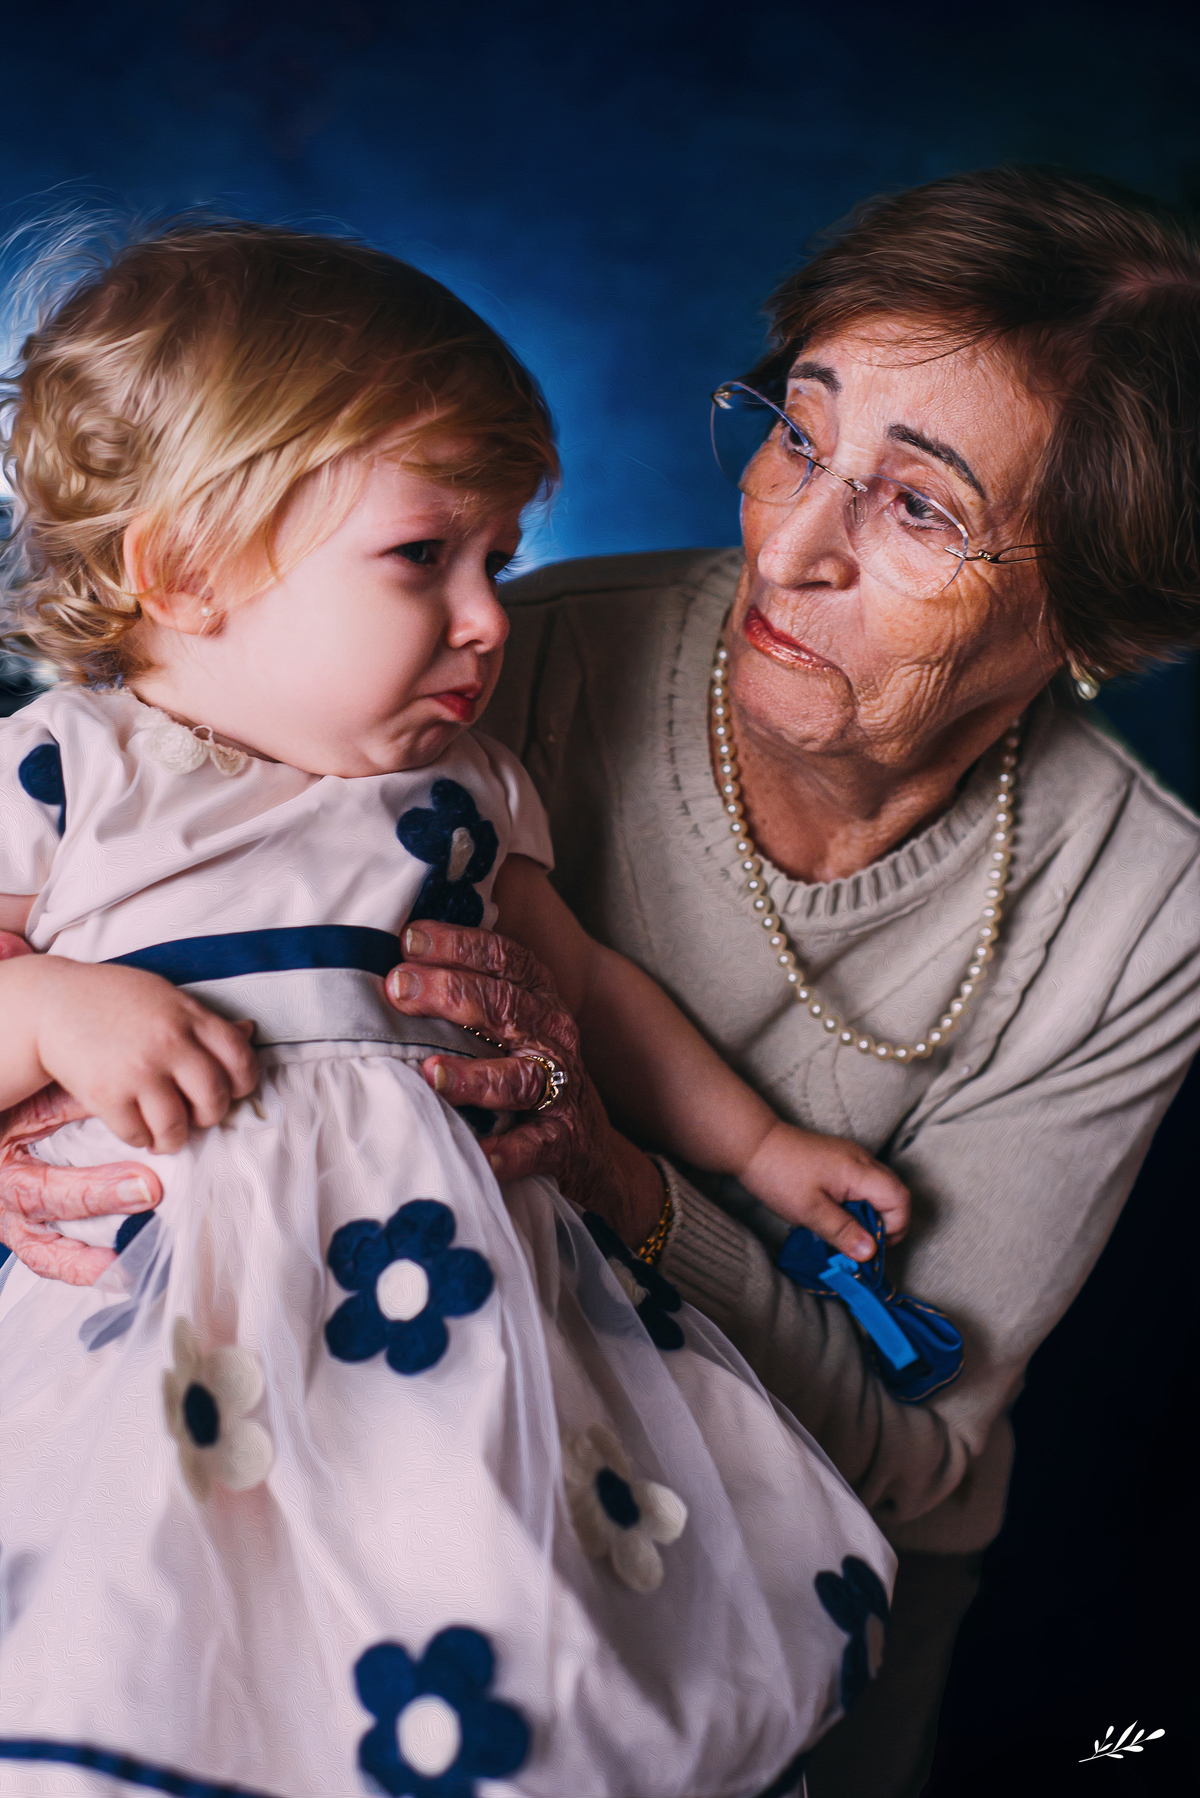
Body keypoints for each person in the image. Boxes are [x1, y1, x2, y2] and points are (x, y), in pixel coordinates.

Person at [5, 167, 1200, 1797]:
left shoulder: (1143, 908)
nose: (790, 544)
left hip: (572, 1492)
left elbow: (916, 1453)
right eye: (797, 429)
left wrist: (670, 1173)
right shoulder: (458, 672)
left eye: (918, 505)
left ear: (1095, 608)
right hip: (190, 1413)